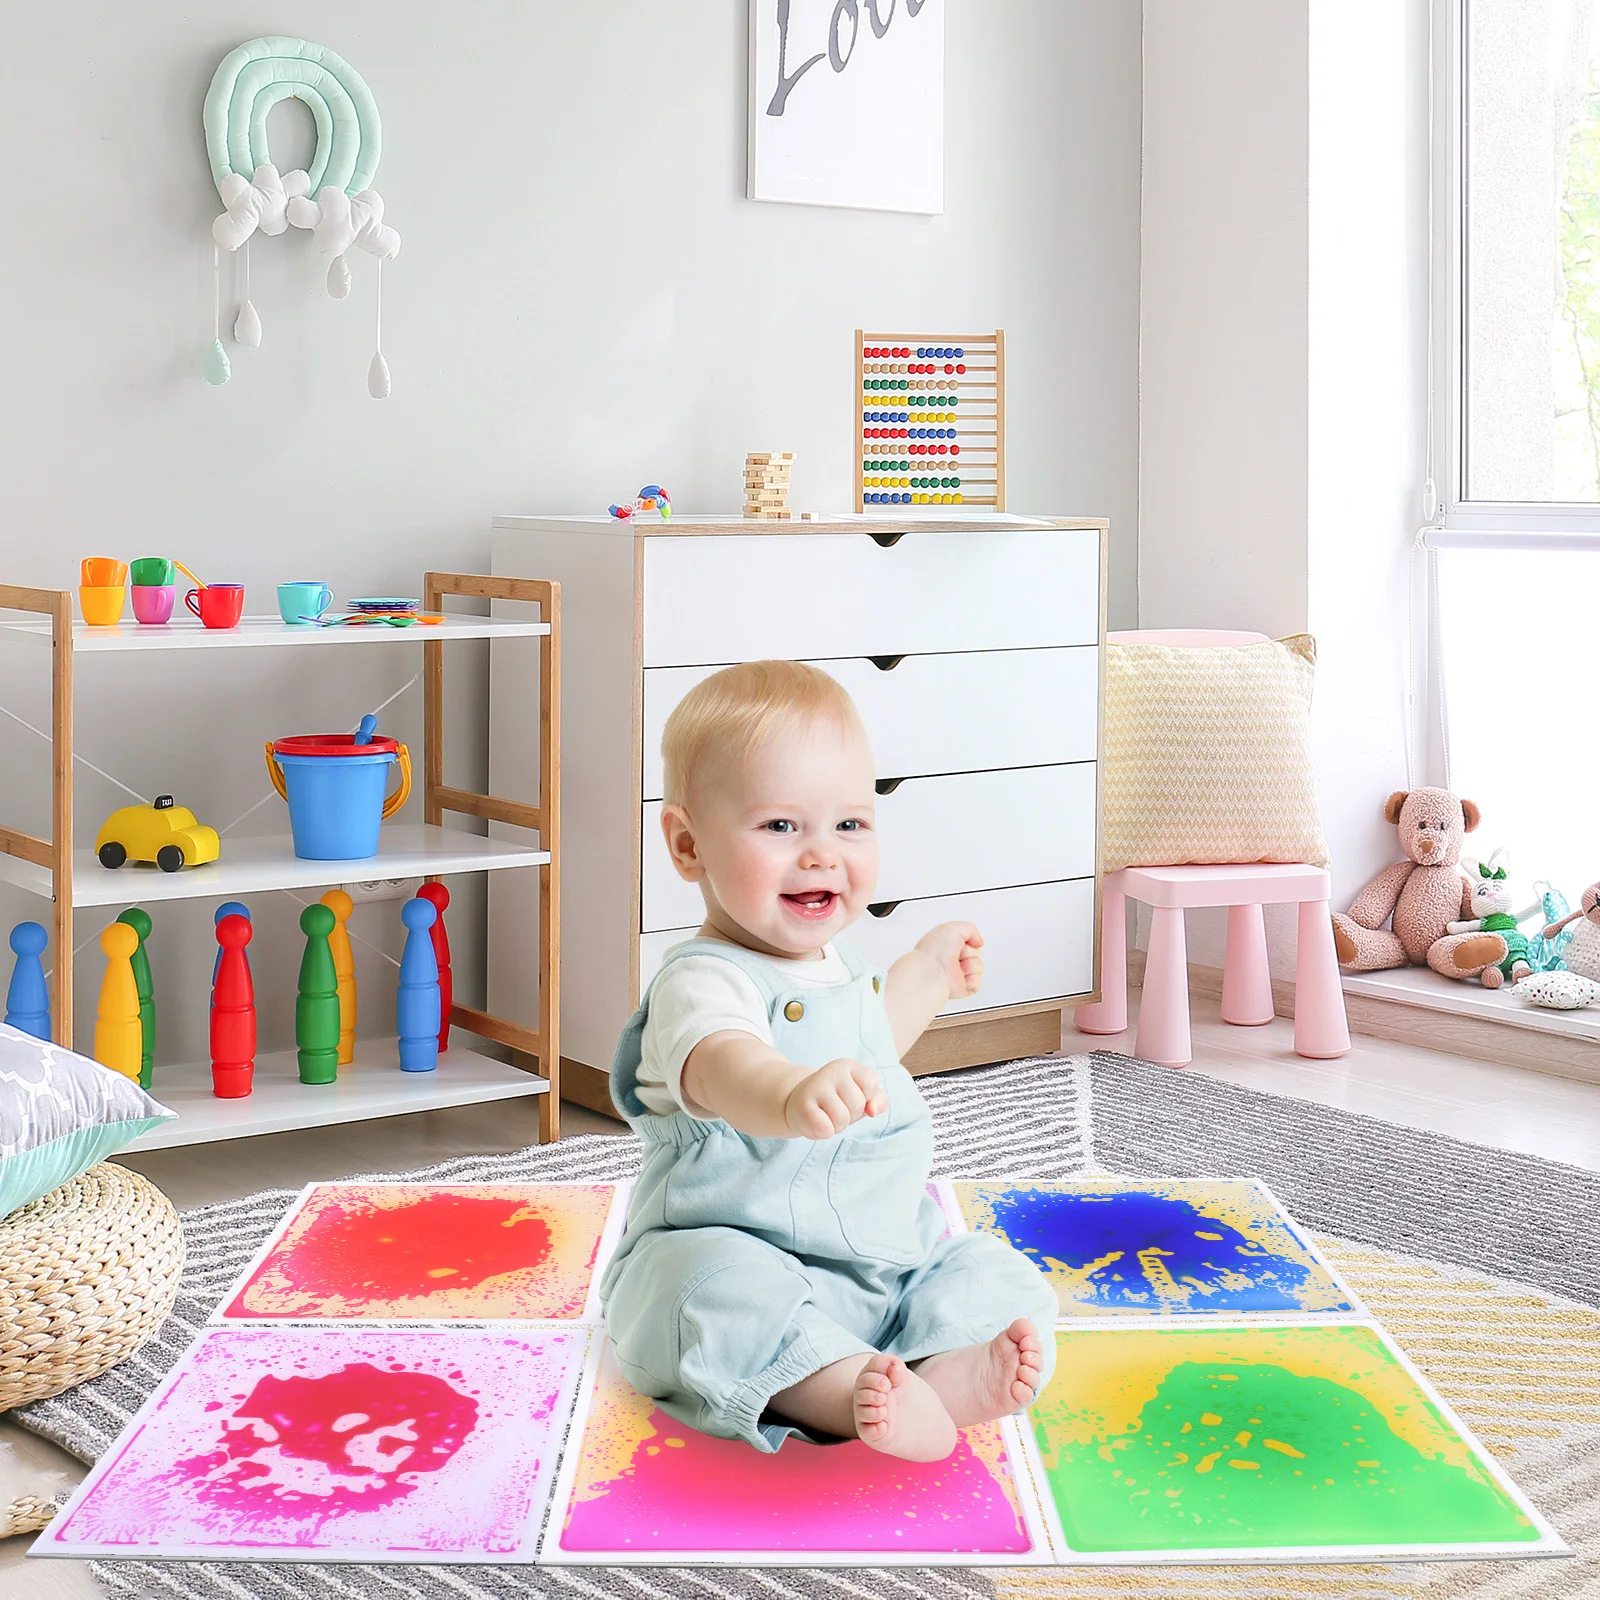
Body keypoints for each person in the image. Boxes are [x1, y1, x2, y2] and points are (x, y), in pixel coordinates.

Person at [600, 660, 1057, 1461]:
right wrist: (787, 1093)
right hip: (737, 1249)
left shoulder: (837, 965)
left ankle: (943, 1369)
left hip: (885, 1263)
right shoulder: (702, 982)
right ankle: (840, 1393)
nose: (821, 854)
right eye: (781, 827)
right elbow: (723, 1064)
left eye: (849, 824)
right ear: (688, 845)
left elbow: (871, 1038)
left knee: (992, 1270)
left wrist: (927, 973)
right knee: (703, 1298)